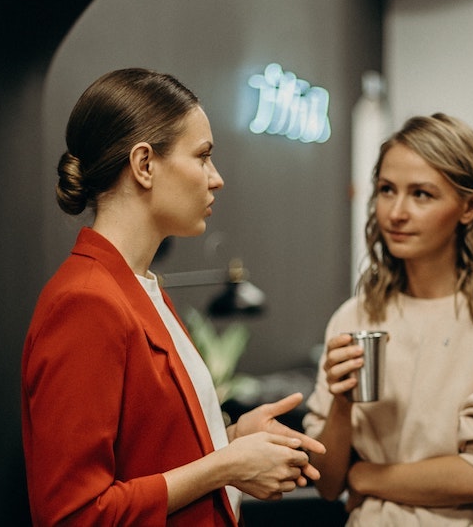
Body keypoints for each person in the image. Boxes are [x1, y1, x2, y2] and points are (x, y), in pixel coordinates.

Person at [21, 68, 325, 526]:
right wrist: (225, 465)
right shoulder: (86, 300)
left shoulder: (139, 286)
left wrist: (231, 438)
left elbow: (147, 456)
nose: (216, 178)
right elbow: (74, 514)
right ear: (144, 165)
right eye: (203, 156)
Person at [303, 113, 473, 526]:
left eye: (422, 195)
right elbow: (327, 484)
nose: (396, 213)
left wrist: (366, 474)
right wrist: (341, 405)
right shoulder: (355, 316)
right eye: (386, 190)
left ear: (469, 206)